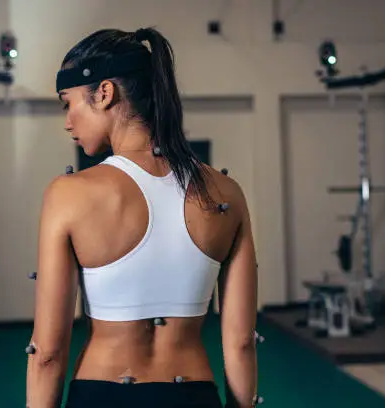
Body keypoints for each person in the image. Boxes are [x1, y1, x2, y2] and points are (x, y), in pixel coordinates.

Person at [25, 27, 259, 408]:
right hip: (192, 395)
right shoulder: (226, 194)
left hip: (103, 395)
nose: (67, 121)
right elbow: (241, 341)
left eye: (67, 103)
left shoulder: (68, 195)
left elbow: (48, 352)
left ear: (103, 93)